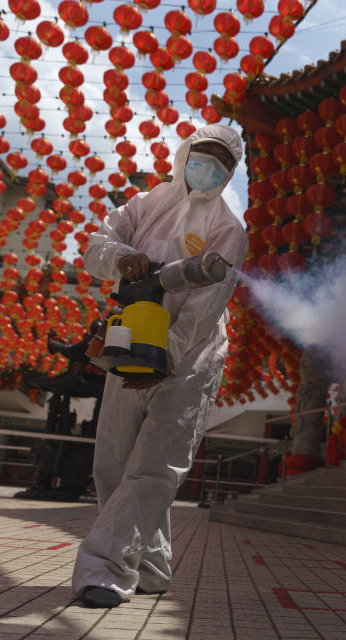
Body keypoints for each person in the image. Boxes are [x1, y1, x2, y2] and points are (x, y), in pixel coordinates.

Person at [72, 124, 248, 608]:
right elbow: (96, 246)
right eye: (203, 155)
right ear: (184, 154)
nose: (208, 168)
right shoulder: (144, 205)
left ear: (230, 174)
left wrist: (166, 355)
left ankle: (103, 572)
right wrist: (124, 258)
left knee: (153, 466)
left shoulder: (228, 228)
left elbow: (206, 304)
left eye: (222, 164)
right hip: (131, 340)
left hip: (192, 356)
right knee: (112, 462)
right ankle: (150, 565)